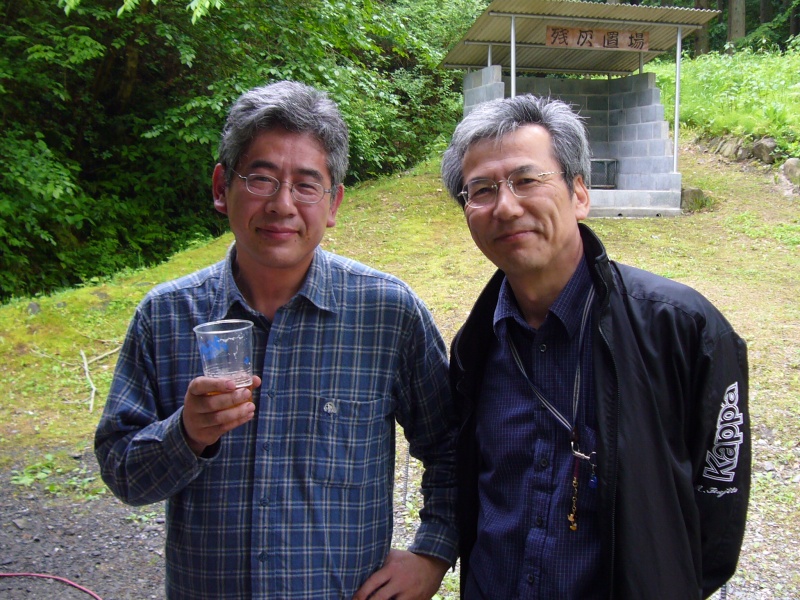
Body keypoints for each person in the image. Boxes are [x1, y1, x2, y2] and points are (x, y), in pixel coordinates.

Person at [95, 80, 458, 600]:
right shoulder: (167, 316)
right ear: (222, 186)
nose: (282, 204)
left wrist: (432, 554)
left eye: (307, 185)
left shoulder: (387, 313)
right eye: (261, 179)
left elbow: (452, 448)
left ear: (333, 203)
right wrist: (187, 434)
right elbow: (122, 472)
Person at [440, 95, 750, 599]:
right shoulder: (475, 347)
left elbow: (717, 512)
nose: (506, 206)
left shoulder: (681, 328)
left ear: (579, 193)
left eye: (526, 180)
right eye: (482, 190)